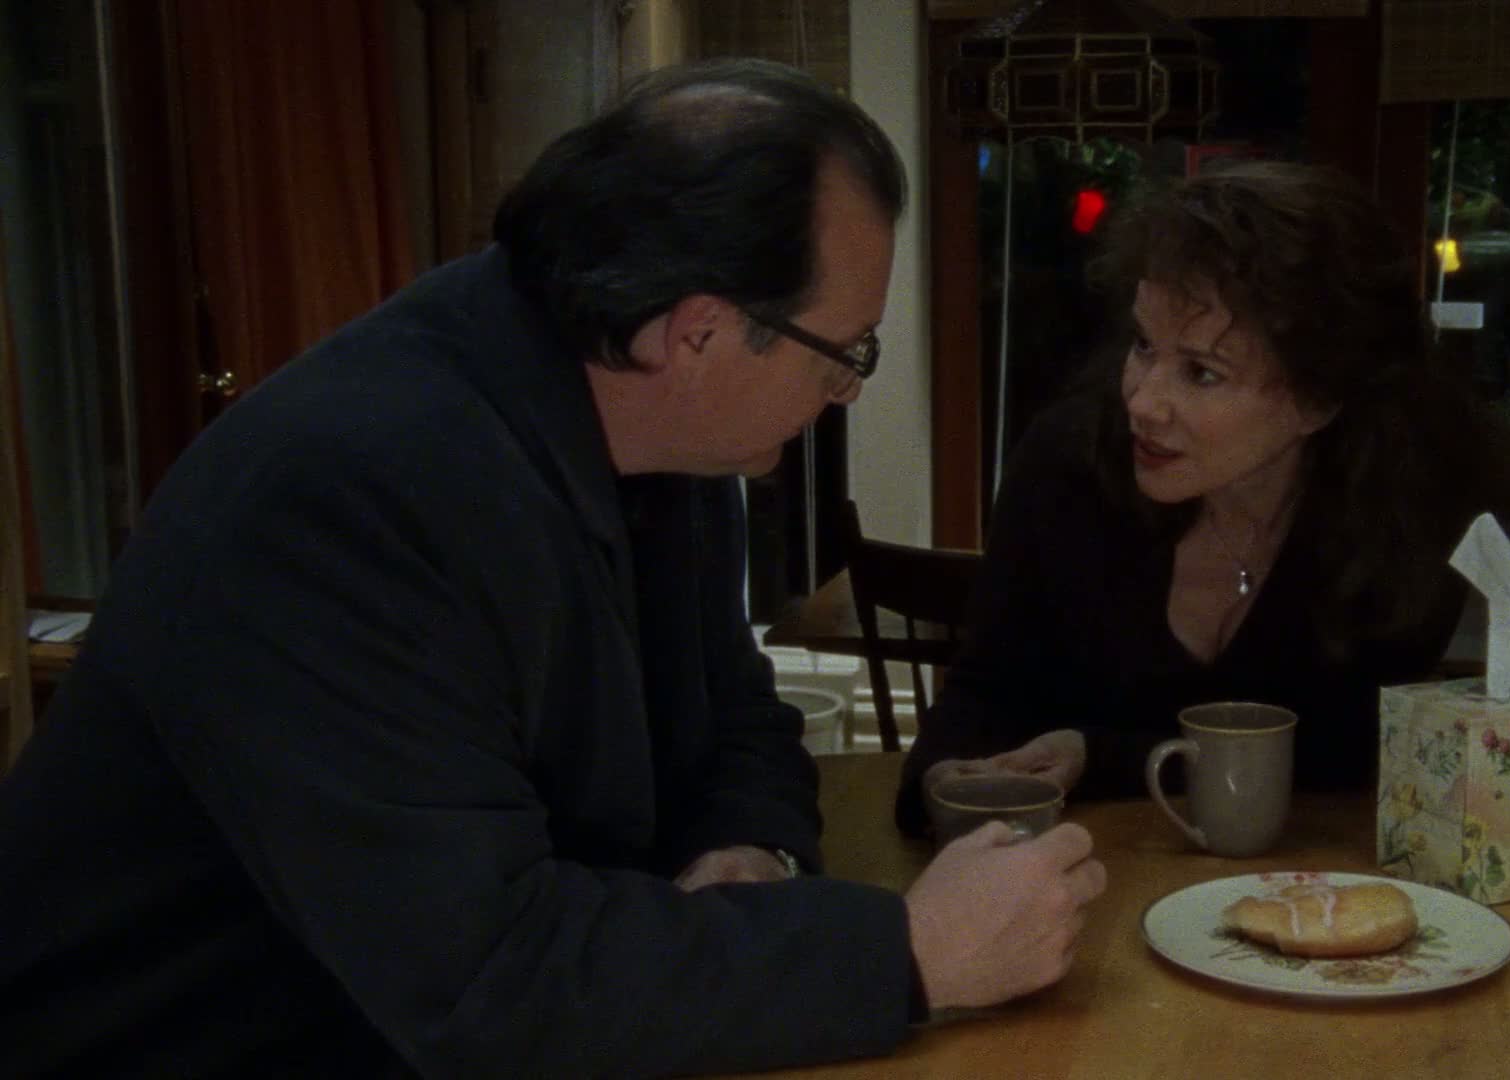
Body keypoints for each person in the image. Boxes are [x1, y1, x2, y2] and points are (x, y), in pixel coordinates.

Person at [0, 59, 1104, 1077]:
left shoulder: (646, 421)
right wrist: (910, 953)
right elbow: (483, 978)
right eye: (844, 352)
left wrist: (749, 851)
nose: (846, 390)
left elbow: (738, 718)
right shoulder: (348, 495)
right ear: (700, 334)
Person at [897, 162, 1510, 834]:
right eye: (1144, 346)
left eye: (1201, 372)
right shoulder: (1067, 468)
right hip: (1082, 869)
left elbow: (1344, 757)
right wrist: (941, 778)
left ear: (1318, 398)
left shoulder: (1410, 515)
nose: (1142, 402)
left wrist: (1100, 755)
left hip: (1312, 875)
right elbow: (984, 690)